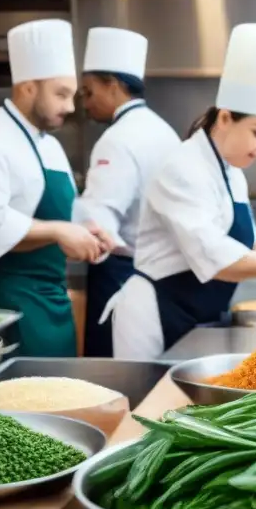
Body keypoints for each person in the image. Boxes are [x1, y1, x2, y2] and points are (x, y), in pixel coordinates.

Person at [105, 23, 256, 360]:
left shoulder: (231, 169)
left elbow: (217, 230)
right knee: (147, 405)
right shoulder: (181, 167)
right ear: (224, 118)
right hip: (157, 315)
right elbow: (210, 251)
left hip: (200, 314)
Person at [0, 19, 113, 357]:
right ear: (27, 88)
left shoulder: (48, 145)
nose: (70, 107)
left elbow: (59, 215)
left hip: (51, 302)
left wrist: (84, 231)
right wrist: (57, 231)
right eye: (61, 94)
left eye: (72, 95)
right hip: (5, 306)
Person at [73, 27, 181, 357]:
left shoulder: (116, 139)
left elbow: (98, 220)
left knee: (109, 376)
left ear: (114, 85)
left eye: (89, 92)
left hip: (119, 272)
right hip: (164, 275)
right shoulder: (165, 131)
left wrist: (68, 222)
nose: (85, 104)